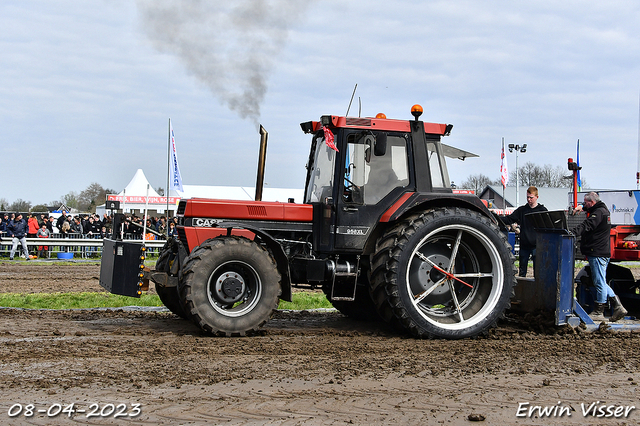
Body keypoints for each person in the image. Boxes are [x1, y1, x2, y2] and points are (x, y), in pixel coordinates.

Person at [571, 191, 627, 322]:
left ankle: (599, 311)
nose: (584, 204)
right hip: (600, 252)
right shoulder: (602, 209)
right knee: (600, 280)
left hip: (597, 252)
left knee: (599, 282)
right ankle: (618, 306)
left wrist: (572, 232)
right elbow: (591, 210)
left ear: (592, 202)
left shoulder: (598, 213)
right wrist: (582, 207)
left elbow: (587, 225)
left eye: (586, 202)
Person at [501, 186, 548, 277]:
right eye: (527, 197)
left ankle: (536, 289)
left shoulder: (542, 210)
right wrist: (496, 218)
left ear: (536, 197)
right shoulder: (522, 210)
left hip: (537, 245)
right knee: (522, 270)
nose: (529, 199)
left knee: (538, 270)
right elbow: (509, 219)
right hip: (525, 244)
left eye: (531, 197)